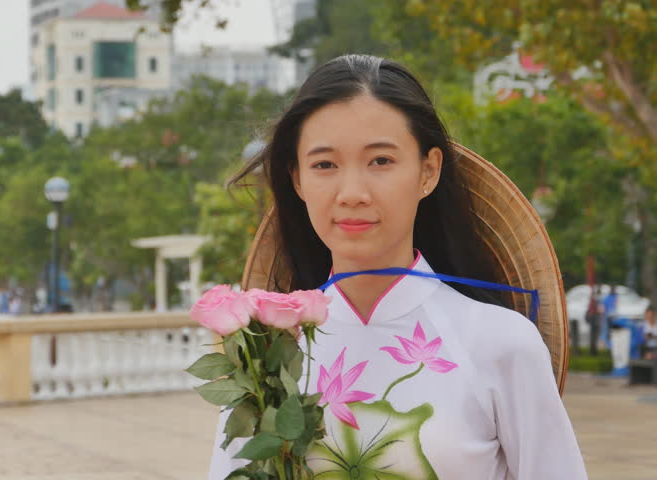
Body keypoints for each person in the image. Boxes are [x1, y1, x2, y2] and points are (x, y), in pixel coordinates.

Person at [209, 55, 587, 479]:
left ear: (428, 171)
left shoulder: (501, 344)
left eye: (381, 161)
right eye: (324, 165)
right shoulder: (267, 357)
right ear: (297, 180)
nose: (352, 193)